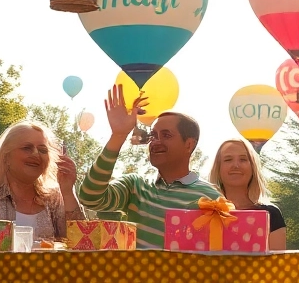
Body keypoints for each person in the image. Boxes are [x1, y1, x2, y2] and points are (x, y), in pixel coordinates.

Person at [79, 85, 222, 249]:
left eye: (166, 135)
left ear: (189, 144)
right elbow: (90, 198)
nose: (155, 142)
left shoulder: (211, 198)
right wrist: (118, 135)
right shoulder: (135, 186)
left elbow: (220, 252)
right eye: (153, 135)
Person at [0, 121, 84, 242]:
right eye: (27, 148)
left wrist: (67, 191)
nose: (36, 154)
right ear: (6, 156)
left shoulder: (54, 198)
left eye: (42, 150)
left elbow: (82, 242)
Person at [207, 139, 286, 250]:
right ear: (218, 168)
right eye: (228, 159)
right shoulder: (205, 213)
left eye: (243, 159)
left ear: (253, 167)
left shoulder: (271, 214)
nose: (236, 165)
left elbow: (277, 260)